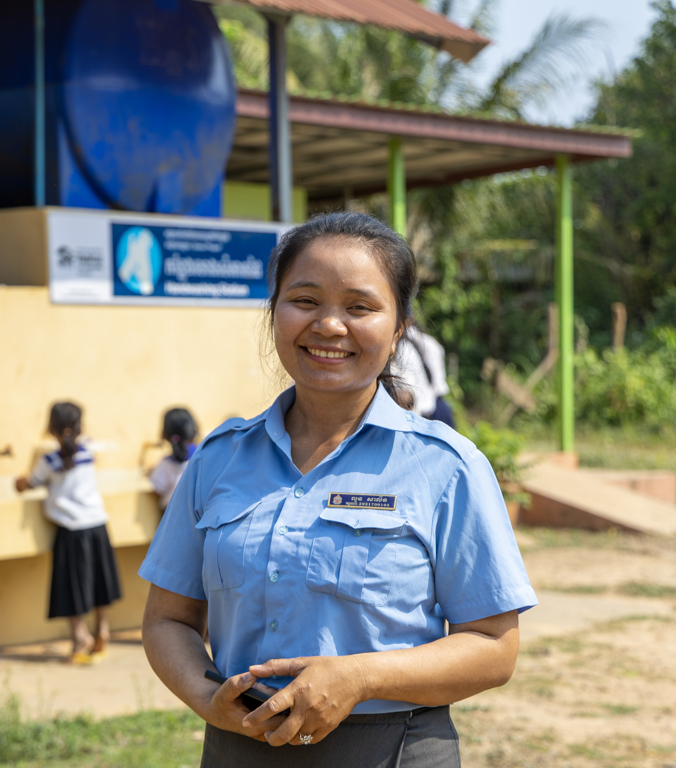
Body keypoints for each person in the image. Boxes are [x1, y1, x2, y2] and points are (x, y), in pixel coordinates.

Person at [138, 212, 537, 766]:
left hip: (392, 749)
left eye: (359, 307)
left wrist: (360, 677)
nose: (328, 325)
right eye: (305, 300)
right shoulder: (218, 458)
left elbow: (494, 646)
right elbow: (168, 620)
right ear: (273, 313)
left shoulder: (447, 466)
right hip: (239, 745)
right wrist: (208, 699)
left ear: (398, 329)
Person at [16, 402, 122, 664]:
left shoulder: (49, 461)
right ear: (79, 426)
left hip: (71, 529)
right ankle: (102, 629)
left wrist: (20, 480)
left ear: (50, 427)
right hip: (97, 524)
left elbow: (28, 484)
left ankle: (80, 636)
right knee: (98, 581)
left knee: (70, 585)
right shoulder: (88, 453)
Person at [393, 326, 456, 428]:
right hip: (433, 405)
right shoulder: (428, 341)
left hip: (425, 409)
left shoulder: (403, 347)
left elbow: (407, 393)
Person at [148, 407, 199, 511]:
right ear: (193, 429)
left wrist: (151, 472)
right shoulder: (205, 457)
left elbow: (158, 488)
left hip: (174, 516)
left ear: (165, 434)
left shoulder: (166, 464)